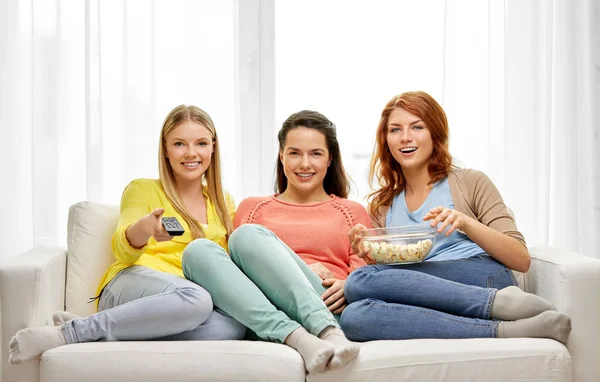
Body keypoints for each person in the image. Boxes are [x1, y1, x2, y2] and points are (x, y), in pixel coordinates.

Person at [8, 105, 246, 365]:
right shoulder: (142, 189)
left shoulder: (223, 201)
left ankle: (95, 329)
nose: (191, 153)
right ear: (165, 150)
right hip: (130, 284)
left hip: (176, 307)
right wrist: (145, 228)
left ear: (213, 146)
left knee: (232, 327)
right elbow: (123, 247)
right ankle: (71, 333)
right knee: (198, 300)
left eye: (201, 143)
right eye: (179, 144)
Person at [341, 91, 572, 344]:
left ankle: (497, 302)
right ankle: (503, 330)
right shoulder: (382, 206)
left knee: (359, 282)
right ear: (386, 140)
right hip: (430, 293)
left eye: (417, 127)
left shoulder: (470, 182)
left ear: (435, 133)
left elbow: (521, 258)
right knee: (354, 317)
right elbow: (393, 276)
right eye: (395, 130)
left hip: (482, 275)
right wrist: (368, 249)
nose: (405, 137)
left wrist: (465, 222)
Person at [181, 110, 371, 373]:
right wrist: (294, 265)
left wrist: (347, 284)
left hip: (326, 306)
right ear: (281, 156)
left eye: (315, 153)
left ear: (329, 159)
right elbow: (230, 276)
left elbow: (368, 276)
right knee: (198, 251)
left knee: (247, 235)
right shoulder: (252, 208)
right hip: (265, 315)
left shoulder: (351, 211)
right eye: (294, 153)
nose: (304, 163)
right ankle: (299, 339)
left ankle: (328, 333)